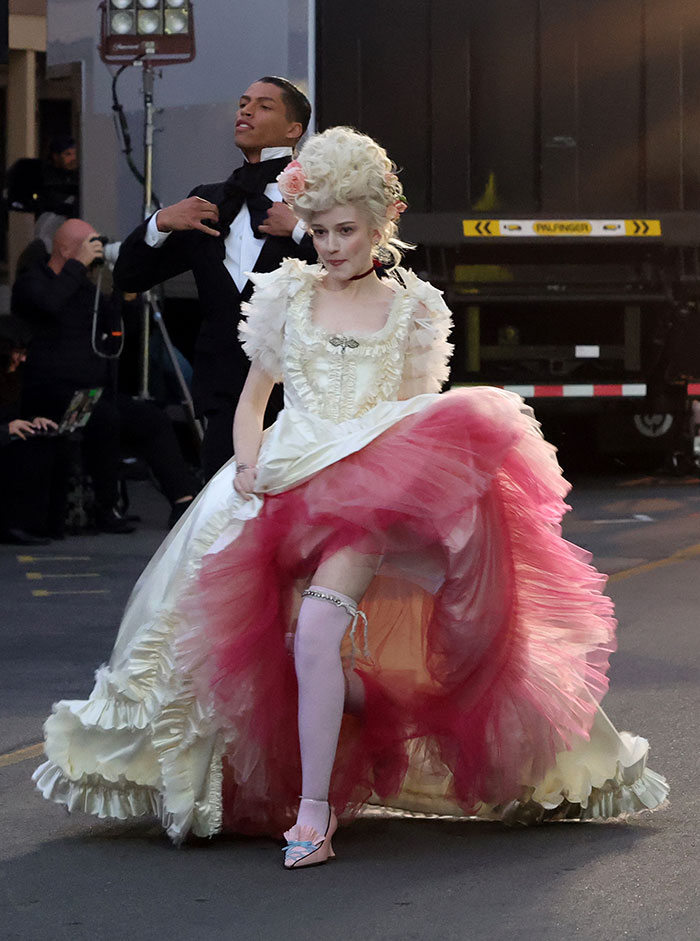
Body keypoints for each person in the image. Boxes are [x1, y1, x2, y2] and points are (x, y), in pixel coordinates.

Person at [33, 128, 668, 867]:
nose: (330, 245)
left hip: (364, 495)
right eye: (320, 230)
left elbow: (412, 424)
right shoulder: (285, 297)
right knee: (220, 642)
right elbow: (251, 402)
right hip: (279, 477)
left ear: (379, 226)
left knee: (312, 638)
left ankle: (313, 815)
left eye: (346, 231)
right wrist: (244, 465)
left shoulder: (412, 309)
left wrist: (410, 497)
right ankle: (361, 715)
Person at [114, 76, 318, 480]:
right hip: (223, 392)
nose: (245, 111)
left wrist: (299, 231)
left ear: (294, 129)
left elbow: (368, 272)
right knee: (226, 511)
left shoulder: (318, 198)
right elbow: (129, 275)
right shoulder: (208, 200)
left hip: (303, 392)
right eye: (243, 103)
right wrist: (160, 222)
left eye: (263, 105)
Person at [12, 218, 198, 532]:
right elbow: (49, 305)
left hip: (95, 393)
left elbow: (118, 338)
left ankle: (183, 500)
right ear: (66, 248)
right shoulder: (33, 282)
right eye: (89, 244)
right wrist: (77, 268)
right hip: (51, 394)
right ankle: (105, 508)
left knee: (151, 419)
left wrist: (127, 297)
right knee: (104, 416)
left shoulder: (88, 289)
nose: (95, 250)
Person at [0, 334, 67, 544]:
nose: (22, 360)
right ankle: (15, 523)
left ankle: (44, 521)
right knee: (25, 455)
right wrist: (5, 429)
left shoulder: (13, 379)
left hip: (7, 436)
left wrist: (32, 420)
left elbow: (11, 415)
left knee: (49, 443)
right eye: (17, 354)